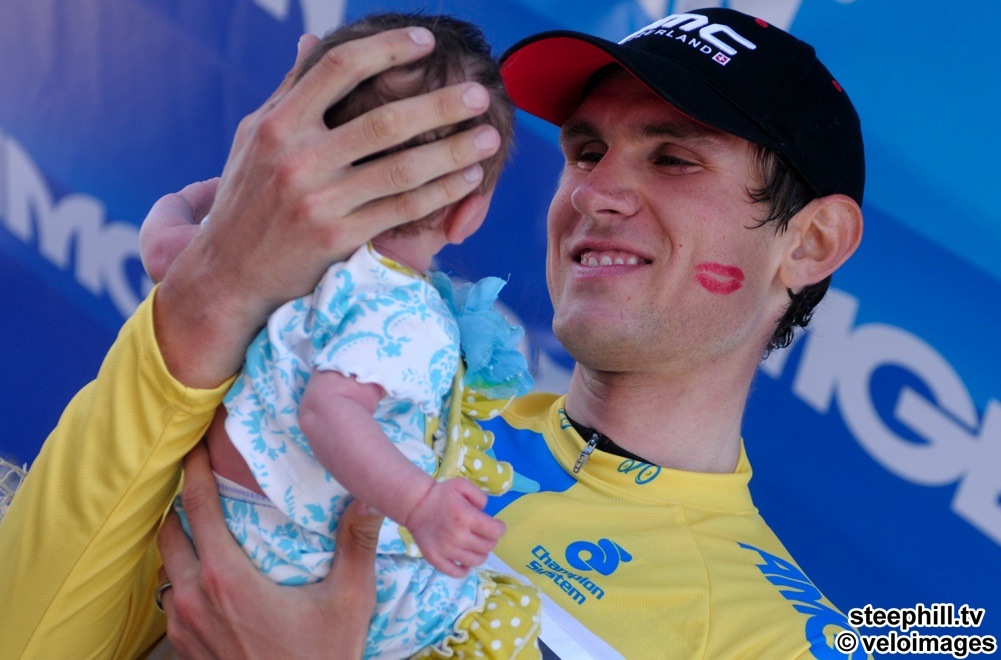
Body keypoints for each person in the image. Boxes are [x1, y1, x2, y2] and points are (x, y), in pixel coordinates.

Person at [0, 7, 867, 659]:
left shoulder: (779, 638)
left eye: (672, 159)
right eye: (584, 152)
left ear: (812, 242)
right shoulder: (367, 390)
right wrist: (211, 293)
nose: (593, 193)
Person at [141, 13, 541, 658]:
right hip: (317, 575)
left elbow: (163, 250)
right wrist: (421, 503)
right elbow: (328, 408)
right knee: (503, 619)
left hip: (206, 534)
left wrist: (201, 197)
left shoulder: (256, 254)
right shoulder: (404, 310)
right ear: (468, 215)